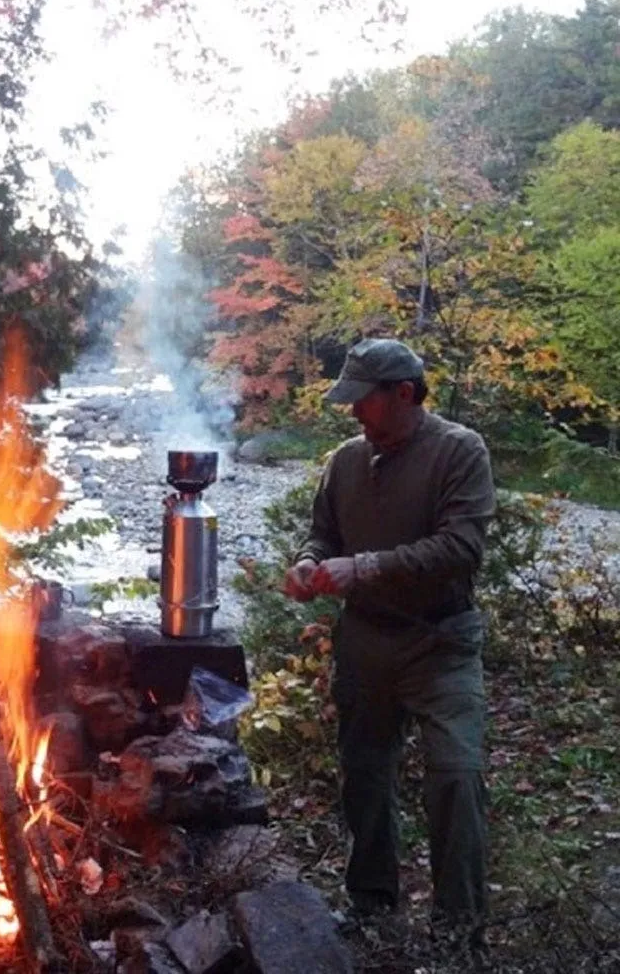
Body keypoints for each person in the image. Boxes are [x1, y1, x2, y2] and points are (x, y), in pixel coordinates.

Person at [284, 338, 496, 941]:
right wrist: (307, 564)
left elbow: (462, 548)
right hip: (365, 643)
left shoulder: (459, 452)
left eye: (364, 401)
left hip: (441, 643)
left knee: (456, 775)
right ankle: (372, 905)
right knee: (365, 775)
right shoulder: (345, 461)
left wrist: (367, 567)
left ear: (404, 393)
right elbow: (321, 535)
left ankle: (459, 930)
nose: (354, 413)